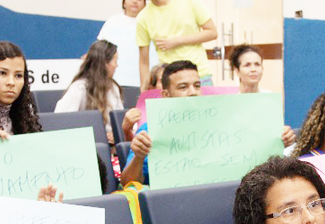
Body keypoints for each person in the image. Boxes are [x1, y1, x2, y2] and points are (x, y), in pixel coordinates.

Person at [123, 60, 295, 186]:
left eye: (197, 86)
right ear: (166, 95)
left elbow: (255, 157)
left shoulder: (224, 124)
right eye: (183, 87)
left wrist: (278, 140)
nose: (193, 92)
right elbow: (128, 182)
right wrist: (138, 156)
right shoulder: (151, 131)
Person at [133, 0, 218, 86]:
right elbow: (143, 61)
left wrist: (175, 41)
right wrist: (144, 91)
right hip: (169, 80)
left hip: (199, 75)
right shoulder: (143, 17)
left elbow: (212, 32)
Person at [55, 40, 123, 142]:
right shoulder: (79, 88)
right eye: (115, 61)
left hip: (111, 149)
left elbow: (119, 122)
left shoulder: (113, 88)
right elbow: (60, 121)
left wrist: (115, 134)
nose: (116, 66)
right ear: (104, 63)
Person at [97, 0, 152, 86]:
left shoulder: (150, 22)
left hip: (142, 77)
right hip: (117, 76)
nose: (135, 1)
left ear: (144, 4)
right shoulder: (113, 21)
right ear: (124, 3)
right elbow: (101, 44)